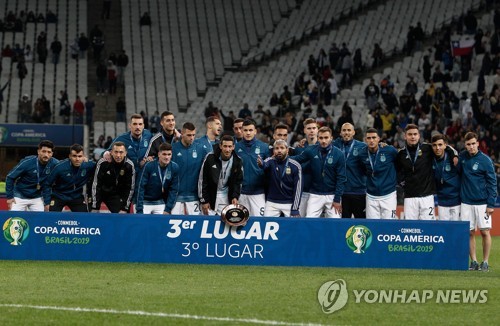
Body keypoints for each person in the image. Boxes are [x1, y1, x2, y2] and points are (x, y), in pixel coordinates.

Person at [396, 124, 457, 220]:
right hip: (409, 197)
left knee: (428, 228)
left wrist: (454, 155)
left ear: (419, 136)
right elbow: (397, 172)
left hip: (427, 197)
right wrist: (403, 184)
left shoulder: (427, 148)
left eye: (415, 134)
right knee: (411, 228)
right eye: (410, 134)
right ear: (405, 136)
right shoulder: (401, 154)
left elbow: (445, 147)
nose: (412, 136)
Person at [459, 132, 497, 272]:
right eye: (468, 144)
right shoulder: (462, 157)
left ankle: (485, 262)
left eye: (473, 143)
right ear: (465, 145)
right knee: (469, 233)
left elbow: (493, 183)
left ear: (478, 143)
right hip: (466, 202)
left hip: (482, 203)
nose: (471, 147)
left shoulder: (485, 160)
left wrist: (491, 204)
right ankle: (474, 261)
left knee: (485, 232)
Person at [292, 127, 346, 218]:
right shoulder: (311, 150)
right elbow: (297, 159)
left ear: (331, 138)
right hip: (315, 194)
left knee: (335, 223)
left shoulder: (339, 154)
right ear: (317, 138)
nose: (323, 141)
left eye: (326, 138)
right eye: (321, 138)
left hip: (332, 195)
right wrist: (281, 157)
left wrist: (337, 199)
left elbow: (341, 178)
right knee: (309, 220)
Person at [6, 140, 59, 211]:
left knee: (40, 219)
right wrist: (9, 197)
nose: (46, 155)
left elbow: (65, 170)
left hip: (37, 197)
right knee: (14, 218)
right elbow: (10, 177)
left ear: (52, 154)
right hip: (20, 195)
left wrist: (47, 203)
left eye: (49, 152)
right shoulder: (27, 162)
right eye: (43, 151)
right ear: (38, 152)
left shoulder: (55, 164)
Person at [171, 122, 211, 215]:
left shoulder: (200, 149)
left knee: (195, 226)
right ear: (182, 134)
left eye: (193, 135)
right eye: (189, 135)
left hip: (194, 197)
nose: (192, 137)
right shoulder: (173, 149)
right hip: (176, 196)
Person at [43, 144, 96, 212]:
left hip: (76, 197)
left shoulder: (88, 165)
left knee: (84, 218)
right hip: (59, 196)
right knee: (52, 216)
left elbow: (100, 166)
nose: (77, 159)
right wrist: (47, 203)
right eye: (74, 156)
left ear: (83, 157)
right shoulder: (60, 167)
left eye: (80, 156)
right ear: (69, 156)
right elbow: (47, 184)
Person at [198, 135, 243, 215]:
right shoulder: (210, 158)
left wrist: (235, 196)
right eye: (225, 146)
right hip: (211, 198)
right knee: (208, 224)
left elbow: (238, 182)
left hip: (226, 198)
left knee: (224, 224)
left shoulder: (237, 161)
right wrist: (204, 200)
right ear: (220, 146)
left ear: (233, 147)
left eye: (230, 146)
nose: (227, 149)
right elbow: (202, 179)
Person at [235, 119, 270, 217]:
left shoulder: (264, 147)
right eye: (245, 130)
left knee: (260, 222)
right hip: (241, 193)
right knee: (240, 222)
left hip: (258, 193)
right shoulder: (236, 147)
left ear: (255, 131)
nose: (248, 133)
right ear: (242, 131)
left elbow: (268, 169)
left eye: (250, 130)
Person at [361, 128, 398, 219]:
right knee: (372, 227)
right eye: (369, 138)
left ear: (379, 138)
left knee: (389, 226)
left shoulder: (389, 150)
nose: (371, 140)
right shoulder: (362, 154)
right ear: (365, 140)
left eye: (374, 137)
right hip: (371, 196)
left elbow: (399, 164)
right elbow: (363, 170)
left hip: (389, 195)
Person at [258, 140, 302, 217]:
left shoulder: (295, 165)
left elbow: (298, 188)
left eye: (282, 148)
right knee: (266, 225)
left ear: (287, 150)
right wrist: (261, 163)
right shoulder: (271, 161)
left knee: (292, 227)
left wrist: (295, 208)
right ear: (273, 151)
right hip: (272, 202)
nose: (279, 150)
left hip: (289, 202)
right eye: (277, 148)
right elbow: (264, 164)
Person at [333, 123, 367, 218]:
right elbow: (320, 144)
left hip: (359, 192)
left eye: (349, 130)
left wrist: (382, 145)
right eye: (344, 130)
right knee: (343, 225)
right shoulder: (334, 145)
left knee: (361, 224)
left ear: (353, 132)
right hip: (341, 193)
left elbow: (374, 150)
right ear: (340, 133)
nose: (346, 132)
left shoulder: (363, 146)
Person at [90, 142, 135, 213]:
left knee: (121, 215)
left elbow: (130, 189)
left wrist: (124, 208)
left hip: (113, 194)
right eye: (116, 152)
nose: (118, 155)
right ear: (111, 152)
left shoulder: (129, 166)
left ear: (125, 153)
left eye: (121, 152)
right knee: (92, 214)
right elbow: (95, 184)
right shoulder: (103, 163)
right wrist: (95, 206)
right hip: (99, 192)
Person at [136, 143, 179, 214]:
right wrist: (139, 208)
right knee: (142, 224)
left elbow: (174, 190)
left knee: (162, 224)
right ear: (159, 154)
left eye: (169, 154)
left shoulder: (174, 167)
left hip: (160, 201)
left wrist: (168, 209)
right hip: (145, 201)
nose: (167, 157)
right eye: (164, 154)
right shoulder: (149, 166)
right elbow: (140, 187)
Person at [431, 134, 461, 221]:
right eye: (435, 145)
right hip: (442, 201)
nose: (437, 148)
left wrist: (455, 154)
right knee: (444, 231)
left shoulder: (453, 159)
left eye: (440, 145)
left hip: (456, 201)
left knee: (456, 231)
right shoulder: (430, 158)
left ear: (445, 145)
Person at [295, 118, 319, 216]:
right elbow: (297, 168)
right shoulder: (299, 148)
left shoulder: (324, 146)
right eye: (309, 128)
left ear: (317, 129)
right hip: (303, 192)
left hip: (318, 192)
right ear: (304, 130)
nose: (312, 130)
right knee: (300, 220)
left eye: (314, 128)